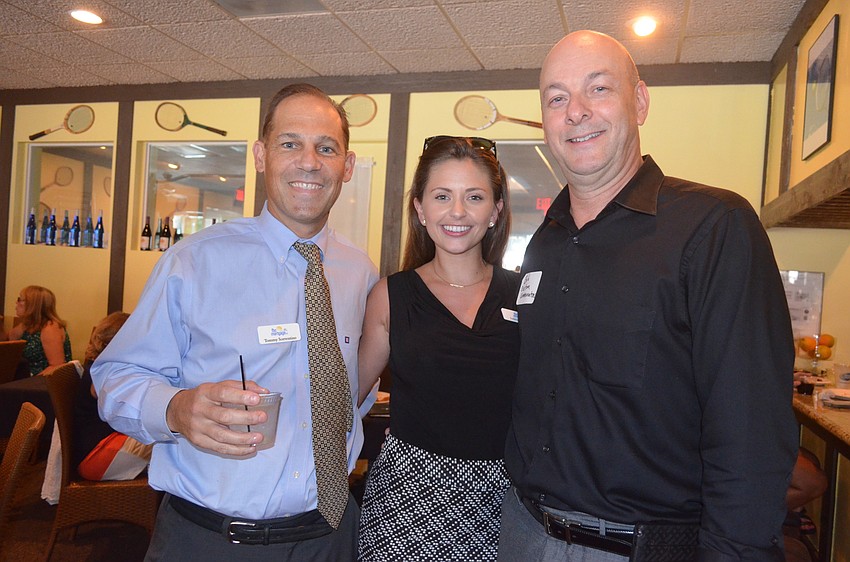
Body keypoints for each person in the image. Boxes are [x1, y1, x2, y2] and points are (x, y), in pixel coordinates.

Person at [499, 30, 798, 561]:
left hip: (639, 548)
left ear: (639, 101)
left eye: (599, 89)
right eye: (557, 97)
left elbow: (750, 431)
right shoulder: (544, 241)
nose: (576, 112)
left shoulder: (713, 227)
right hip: (522, 533)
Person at [91, 83, 378, 561]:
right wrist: (176, 409)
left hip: (330, 537)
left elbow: (351, 388)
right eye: (290, 144)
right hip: (212, 541)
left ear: (346, 166)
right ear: (261, 155)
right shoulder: (194, 262)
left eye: (326, 148)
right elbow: (114, 378)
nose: (309, 161)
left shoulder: (360, 272)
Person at [357, 135, 520, 560]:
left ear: (496, 210)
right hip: (406, 500)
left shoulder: (524, 295)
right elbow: (347, 395)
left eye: (475, 197)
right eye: (442, 196)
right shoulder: (391, 295)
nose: (458, 212)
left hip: (502, 500)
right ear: (419, 208)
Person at [74, 311, 153, 480]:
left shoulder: (96, 365)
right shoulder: (102, 373)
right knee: (169, 438)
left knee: (165, 435)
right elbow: (112, 399)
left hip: (100, 448)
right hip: (96, 457)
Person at [0, 285, 72, 376]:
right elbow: (7, 341)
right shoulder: (28, 324)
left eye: (19, 299)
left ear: (33, 304)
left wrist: (28, 382)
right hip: (25, 377)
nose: (16, 303)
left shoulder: (50, 328)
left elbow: (57, 366)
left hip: (43, 382)